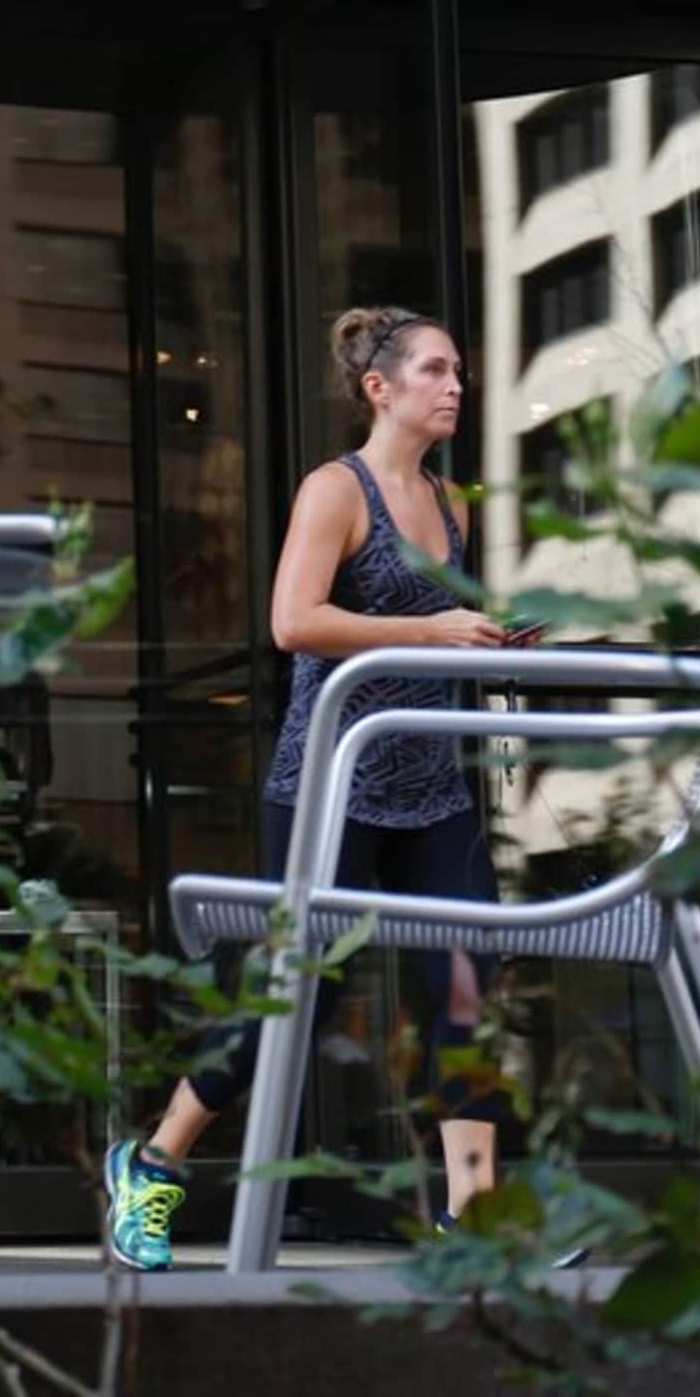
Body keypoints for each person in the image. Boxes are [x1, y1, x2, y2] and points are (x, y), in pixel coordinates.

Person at [101, 306, 511, 1272]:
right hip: (331, 783)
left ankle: (478, 1216)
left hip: (433, 782)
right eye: (436, 371)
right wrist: (433, 630)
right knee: (299, 1000)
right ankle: (153, 1161)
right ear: (380, 388)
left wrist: (488, 638)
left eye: (458, 371)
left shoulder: (453, 502)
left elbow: (440, 636)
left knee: (465, 992)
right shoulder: (336, 490)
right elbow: (294, 622)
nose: (456, 386)